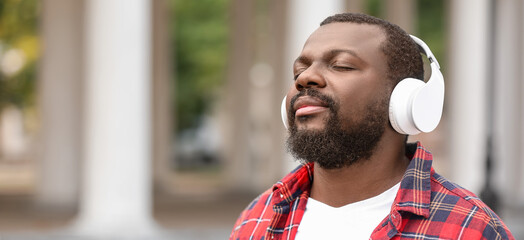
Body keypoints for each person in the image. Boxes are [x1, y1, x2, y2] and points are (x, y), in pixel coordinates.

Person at [229, 13, 514, 240]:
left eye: (341, 65)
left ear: (406, 101)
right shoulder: (256, 218)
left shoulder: (472, 229)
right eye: (299, 71)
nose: (306, 78)